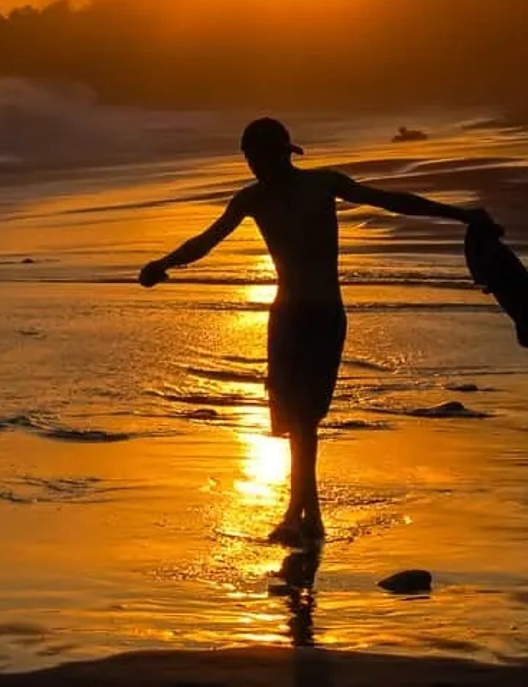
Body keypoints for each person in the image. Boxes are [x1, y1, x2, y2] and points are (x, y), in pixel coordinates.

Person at [139, 118, 493, 546]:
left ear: (281, 154)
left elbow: (392, 201)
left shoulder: (322, 184)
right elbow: (206, 241)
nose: (254, 167)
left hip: (323, 314)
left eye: (259, 158)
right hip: (286, 316)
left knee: (306, 417)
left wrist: (460, 215)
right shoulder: (252, 199)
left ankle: (302, 514)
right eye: (249, 159)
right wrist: (163, 264)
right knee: (295, 418)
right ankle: (306, 515)